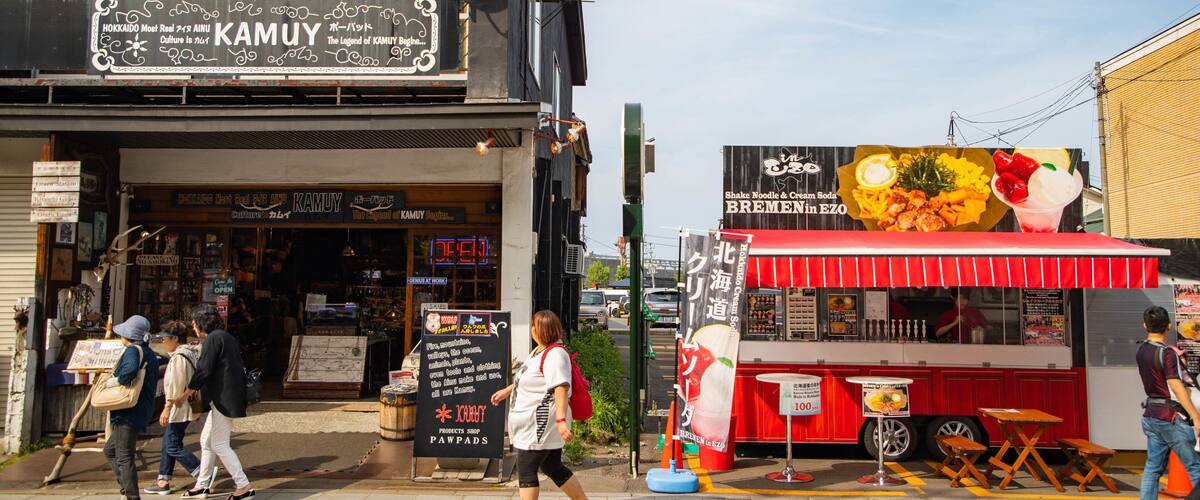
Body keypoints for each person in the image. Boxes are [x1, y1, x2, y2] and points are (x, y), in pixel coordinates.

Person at [490, 310, 587, 500]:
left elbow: (560, 387)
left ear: (540, 330)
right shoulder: (540, 350)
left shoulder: (555, 355)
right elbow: (528, 378)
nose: (531, 329)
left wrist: (560, 420)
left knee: (526, 471)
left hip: (539, 424)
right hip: (533, 422)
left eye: (533, 325)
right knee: (552, 466)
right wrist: (507, 391)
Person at [178, 304, 255, 499]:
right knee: (206, 440)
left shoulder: (214, 339)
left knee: (219, 443)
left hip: (223, 398)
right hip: (225, 397)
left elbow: (204, 369)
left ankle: (243, 485)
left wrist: (187, 392)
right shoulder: (225, 336)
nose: (194, 327)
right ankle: (202, 484)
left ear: (203, 322)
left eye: (194, 323)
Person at [1137, 305, 1200, 499]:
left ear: (1145, 325)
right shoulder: (1167, 353)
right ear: (1170, 326)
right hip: (1170, 418)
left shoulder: (1142, 350)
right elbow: (1176, 386)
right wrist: (1196, 417)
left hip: (1151, 415)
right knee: (1195, 467)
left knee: (1153, 469)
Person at [104, 315, 160, 500]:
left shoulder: (132, 351)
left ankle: (131, 495)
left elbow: (127, 373)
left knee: (124, 456)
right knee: (111, 450)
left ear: (128, 335)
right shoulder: (149, 353)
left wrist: (115, 381)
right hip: (141, 408)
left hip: (128, 411)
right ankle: (125, 488)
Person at [143, 321, 202, 495]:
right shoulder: (189, 353)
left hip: (179, 407)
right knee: (168, 443)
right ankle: (163, 480)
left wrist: (167, 408)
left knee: (172, 445)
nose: (163, 342)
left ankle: (200, 470)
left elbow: (176, 386)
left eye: (165, 338)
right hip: (184, 405)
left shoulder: (179, 358)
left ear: (175, 338)